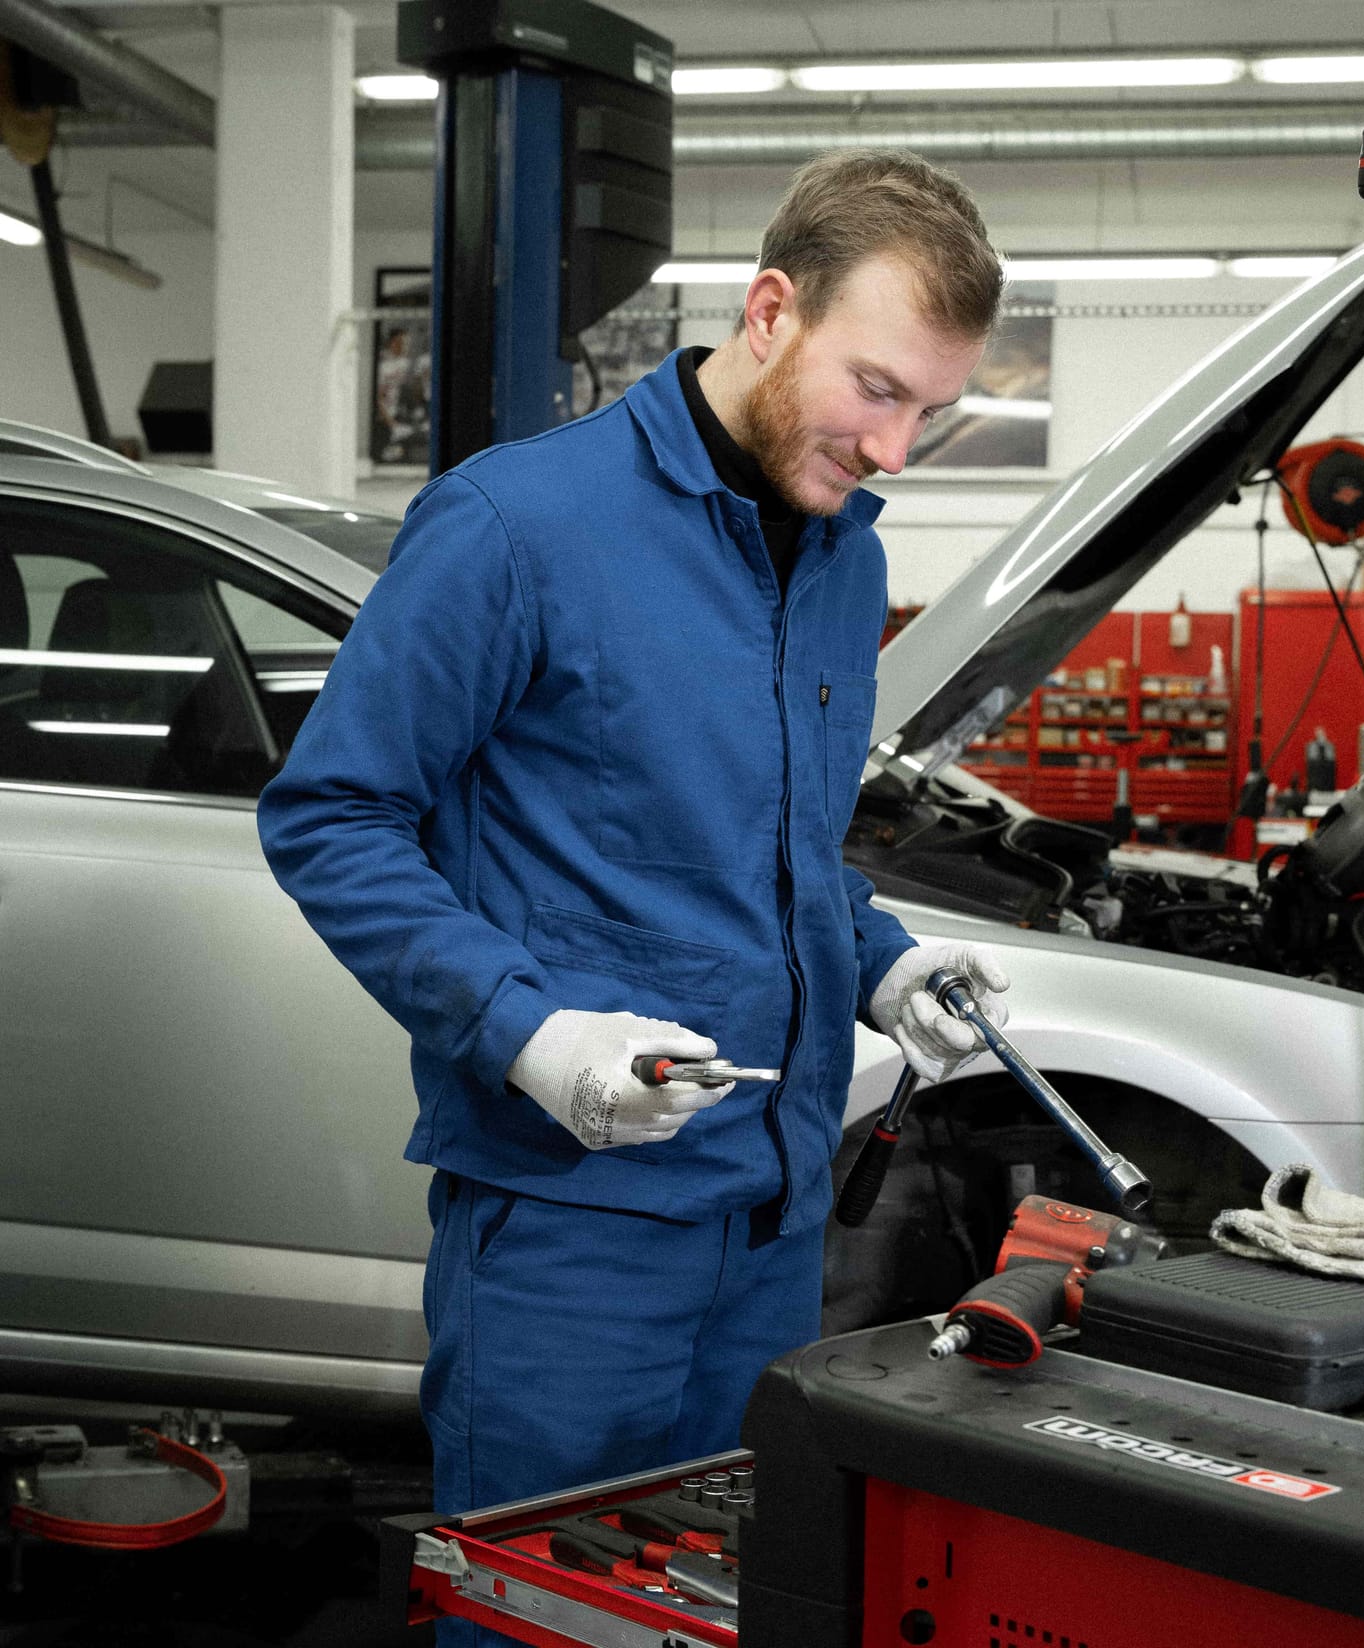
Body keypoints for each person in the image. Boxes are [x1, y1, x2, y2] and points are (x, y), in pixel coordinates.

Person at [256, 146, 1013, 1606]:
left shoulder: (843, 558)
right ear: (771, 308)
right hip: (569, 1233)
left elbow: (769, 856)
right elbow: (332, 816)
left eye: (933, 409)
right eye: (877, 388)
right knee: (542, 1615)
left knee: (725, 1610)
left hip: (774, 1232)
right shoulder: (516, 527)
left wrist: (884, 958)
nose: (898, 450)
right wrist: (527, 1032)